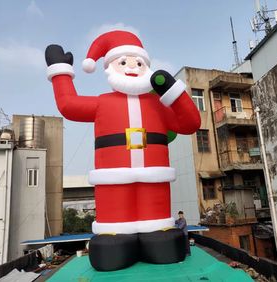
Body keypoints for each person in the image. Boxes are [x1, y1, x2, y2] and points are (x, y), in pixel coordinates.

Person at [45, 30, 200, 270]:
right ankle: (115, 239)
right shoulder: (103, 103)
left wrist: (173, 92)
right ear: (110, 67)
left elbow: (190, 124)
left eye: (139, 62)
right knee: (114, 226)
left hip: (154, 174)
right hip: (112, 176)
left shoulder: (157, 105)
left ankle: (156, 235)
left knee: (157, 223)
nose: (132, 67)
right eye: (124, 62)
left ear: (147, 67)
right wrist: (60, 71)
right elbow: (68, 105)